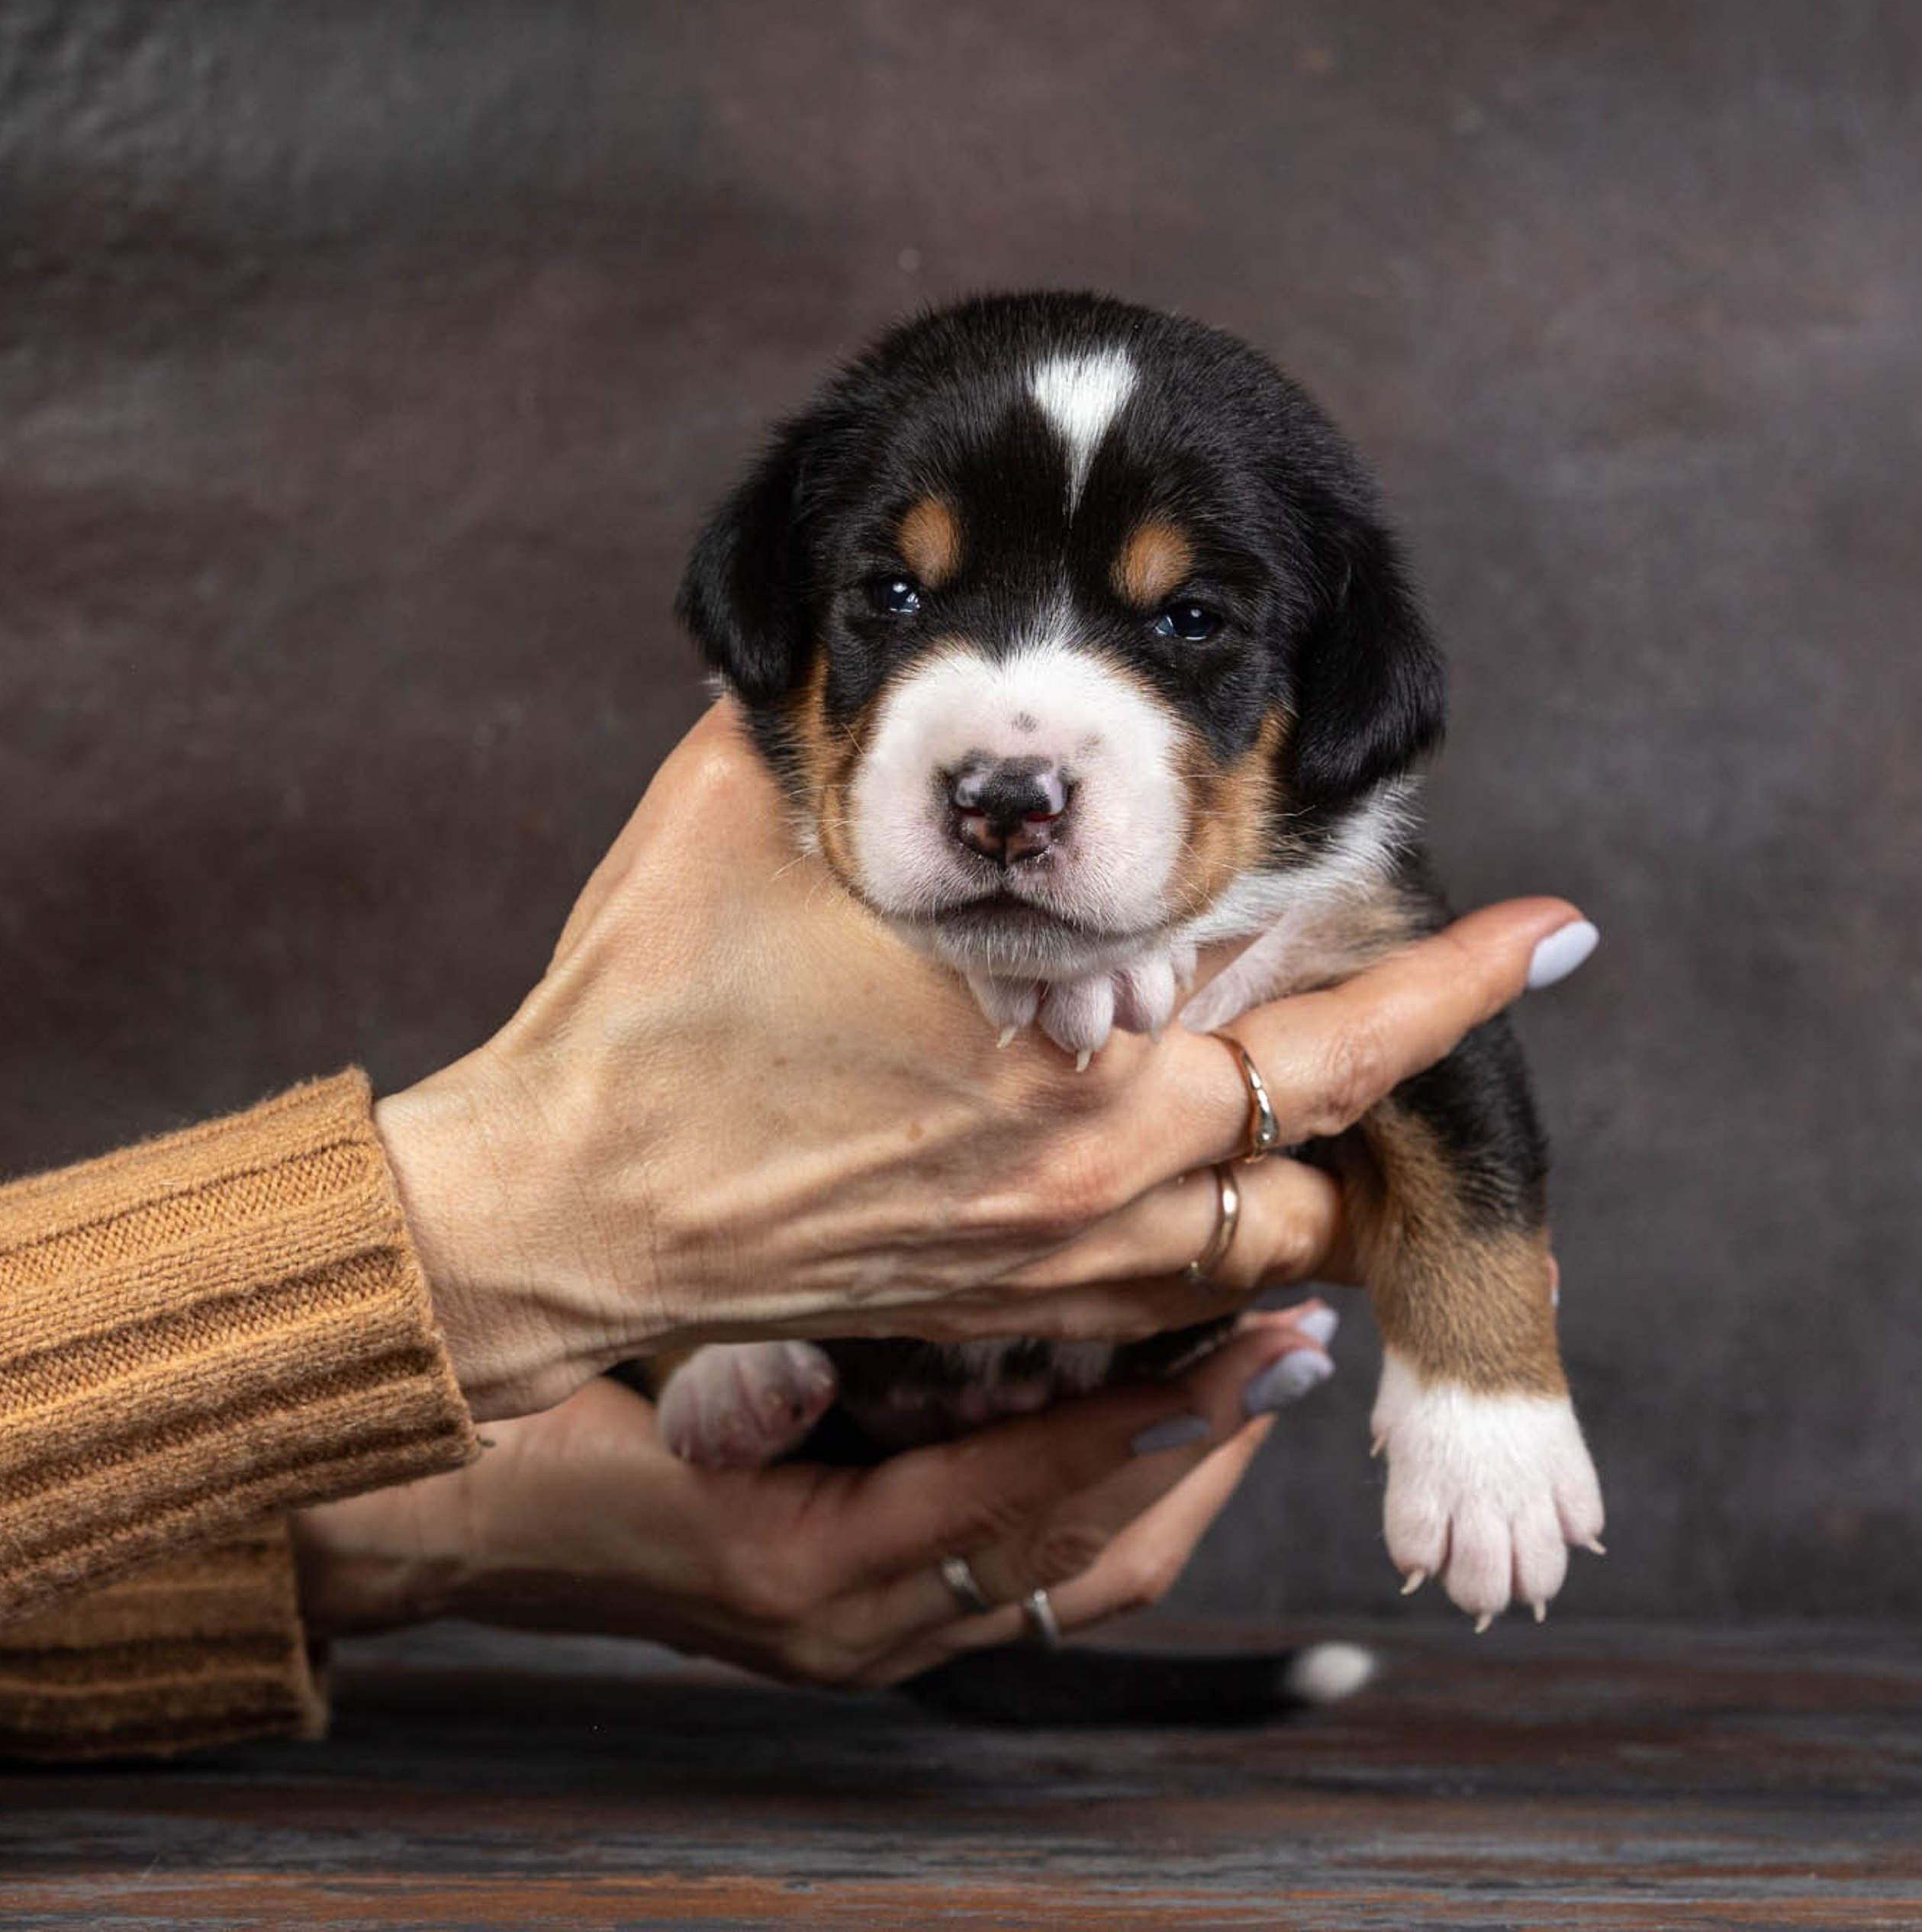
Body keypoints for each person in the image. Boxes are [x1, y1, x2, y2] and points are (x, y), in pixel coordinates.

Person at [0, 704, 1592, 1758]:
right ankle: (730, 1338)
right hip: (843, 1363)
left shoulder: (1293, 839)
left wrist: (420, 1520)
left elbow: (1447, 1110)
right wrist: (505, 1236)